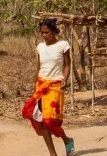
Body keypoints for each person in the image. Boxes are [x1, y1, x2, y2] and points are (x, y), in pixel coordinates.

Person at [24, 18, 75, 156]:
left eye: (47, 32)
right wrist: (36, 87)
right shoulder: (40, 47)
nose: (44, 35)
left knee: (51, 121)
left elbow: (67, 65)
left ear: (54, 31)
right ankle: (53, 153)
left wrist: (65, 78)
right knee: (41, 121)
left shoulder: (63, 45)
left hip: (55, 86)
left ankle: (67, 140)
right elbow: (39, 67)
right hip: (41, 86)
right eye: (42, 33)